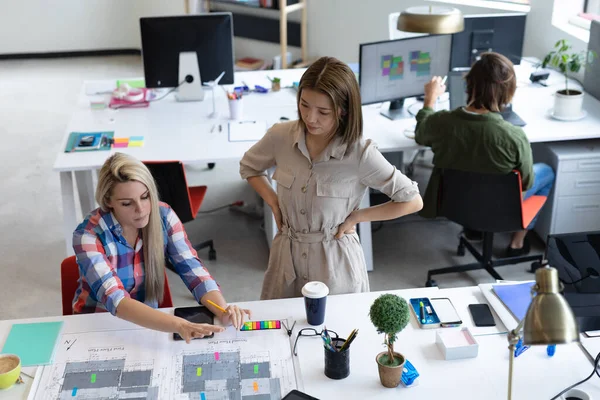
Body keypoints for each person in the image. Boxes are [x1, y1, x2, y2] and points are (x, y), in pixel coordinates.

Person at [240, 56, 423, 300]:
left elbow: (412, 200)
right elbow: (249, 167)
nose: (310, 118)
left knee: (337, 335)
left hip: (334, 264)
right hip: (286, 259)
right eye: (304, 105)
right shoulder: (280, 136)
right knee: (279, 329)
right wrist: (272, 200)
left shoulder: (360, 153)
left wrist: (358, 216)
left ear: (343, 110)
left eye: (323, 111)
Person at [72, 153, 251, 342]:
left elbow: (194, 271)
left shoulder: (163, 215)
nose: (141, 210)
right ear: (108, 201)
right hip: (97, 324)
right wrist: (179, 324)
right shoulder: (88, 235)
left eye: (145, 197)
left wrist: (222, 311)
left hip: (150, 323)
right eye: (127, 203)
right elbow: (117, 301)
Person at [414, 52, 555, 257]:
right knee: (547, 172)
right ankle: (517, 243)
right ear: (508, 91)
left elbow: (421, 134)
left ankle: (474, 225)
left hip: (455, 205)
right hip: (500, 207)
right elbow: (526, 182)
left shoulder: (442, 123)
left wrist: (430, 99)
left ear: (468, 84)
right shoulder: (514, 136)